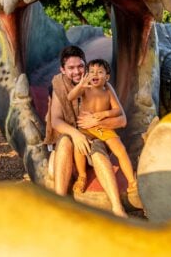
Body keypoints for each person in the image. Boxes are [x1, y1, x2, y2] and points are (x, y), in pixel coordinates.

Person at [46, 46, 128, 217]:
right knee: (66, 141)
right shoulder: (59, 86)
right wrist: (76, 134)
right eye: (71, 68)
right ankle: (58, 204)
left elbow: (122, 120)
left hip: (96, 132)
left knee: (98, 151)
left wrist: (97, 119)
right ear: (63, 70)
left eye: (80, 66)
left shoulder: (101, 84)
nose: (77, 72)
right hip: (73, 135)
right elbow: (55, 120)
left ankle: (117, 207)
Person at [67, 59, 138, 197]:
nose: (95, 74)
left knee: (120, 149)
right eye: (92, 71)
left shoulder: (107, 90)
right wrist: (80, 85)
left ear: (107, 77)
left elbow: (117, 110)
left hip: (102, 127)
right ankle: (82, 176)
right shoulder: (85, 89)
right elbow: (70, 97)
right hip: (85, 128)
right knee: (79, 147)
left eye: (100, 72)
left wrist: (103, 114)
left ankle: (131, 181)